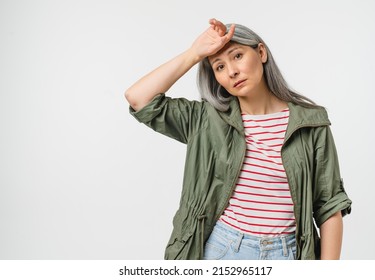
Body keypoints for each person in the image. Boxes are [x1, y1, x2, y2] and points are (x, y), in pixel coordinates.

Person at [125, 18, 352, 260]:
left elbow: (329, 207)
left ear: (261, 52)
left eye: (237, 56)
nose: (232, 71)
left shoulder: (311, 123)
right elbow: (138, 98)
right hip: (222, 250)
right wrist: (194, 54)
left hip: (289, 254)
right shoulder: (205, 120)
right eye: (219, 67)